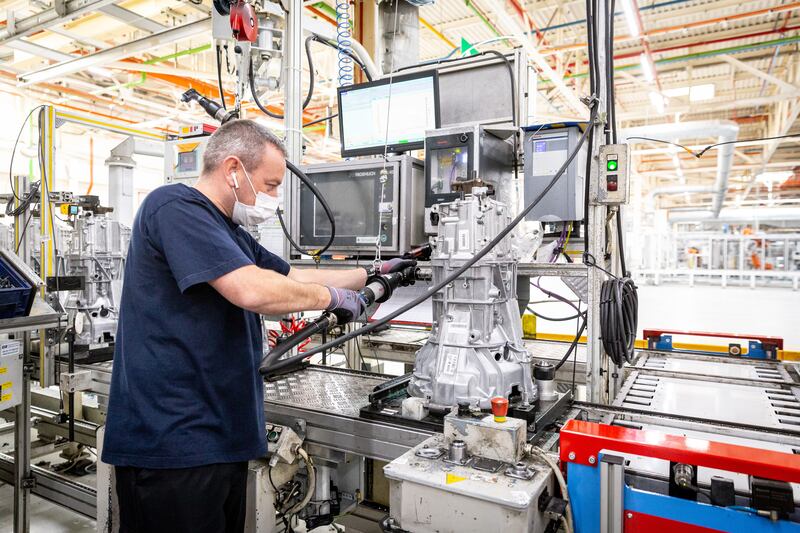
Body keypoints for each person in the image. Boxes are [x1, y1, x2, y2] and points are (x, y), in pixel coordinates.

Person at [101, 119, 410, 532]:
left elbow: (292, 277)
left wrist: (377, 273)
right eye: (270, 184)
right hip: (173, 441)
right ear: (233, 170)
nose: (275, 198)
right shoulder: (173, 206)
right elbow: (251, 290)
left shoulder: (227, 230)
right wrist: (333, 300)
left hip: (219, 437)